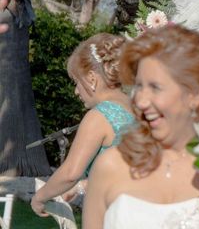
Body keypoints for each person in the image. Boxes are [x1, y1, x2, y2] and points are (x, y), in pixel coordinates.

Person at [82, 24, 199, 229]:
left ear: (197, 94)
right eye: (139, 86)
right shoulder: (111, 166)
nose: (141, 101)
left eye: (155, 87)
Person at [31, 33, 134, 216]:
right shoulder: (136, 108)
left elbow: (71, 172)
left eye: (76, 82)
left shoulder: (99, 116)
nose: (76, 91)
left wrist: (40, 197)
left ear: (92, 79)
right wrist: (81, 188)